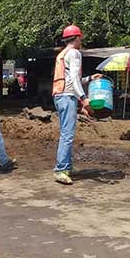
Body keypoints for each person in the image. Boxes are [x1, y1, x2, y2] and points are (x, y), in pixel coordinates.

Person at [52, 25, 102, 185]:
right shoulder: (74, 53)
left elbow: (71, 79)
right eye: (81, 38)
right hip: (67, 96)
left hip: (60, 95)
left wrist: (89, 79)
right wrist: (84, 99)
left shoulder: (62, 54)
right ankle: (61, 170)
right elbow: (73, 78)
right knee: (67, 134)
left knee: (66, 132)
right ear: (78, 38)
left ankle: (67, 166)